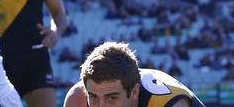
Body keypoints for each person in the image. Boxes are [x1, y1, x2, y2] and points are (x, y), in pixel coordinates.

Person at [63, 41, 205, 107]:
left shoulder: (168, 104)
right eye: (93, 97)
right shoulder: (78, 98)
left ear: (135, 92)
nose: (101, 106)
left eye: (111, 98)